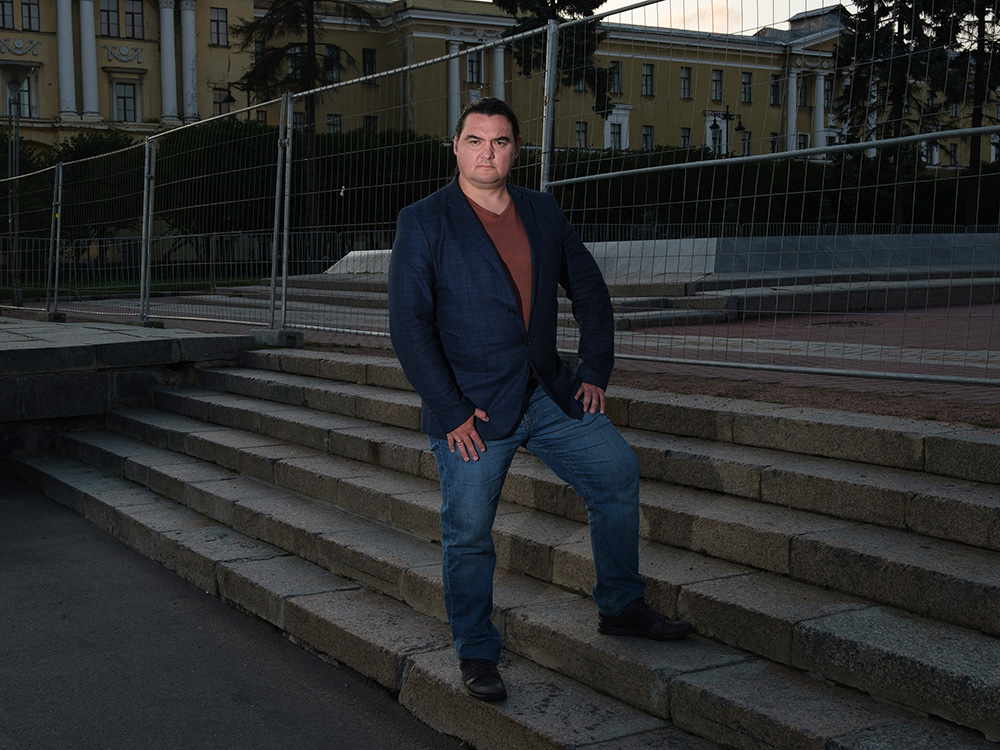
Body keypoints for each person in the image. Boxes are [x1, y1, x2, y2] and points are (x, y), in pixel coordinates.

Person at [387, 97, 692, 702]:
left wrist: (595, 369)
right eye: (476, 140)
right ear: (456, 147)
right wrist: (449, 410)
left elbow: (590, 290)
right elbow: (409, 326)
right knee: (469, 533)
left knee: (616, 473)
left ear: (516, 150)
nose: (487, 153)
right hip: (472, 410)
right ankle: (477, 650)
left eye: (500, 141)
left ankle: (621, 604)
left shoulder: (542, 210)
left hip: (548, 392)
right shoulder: (424, 221)